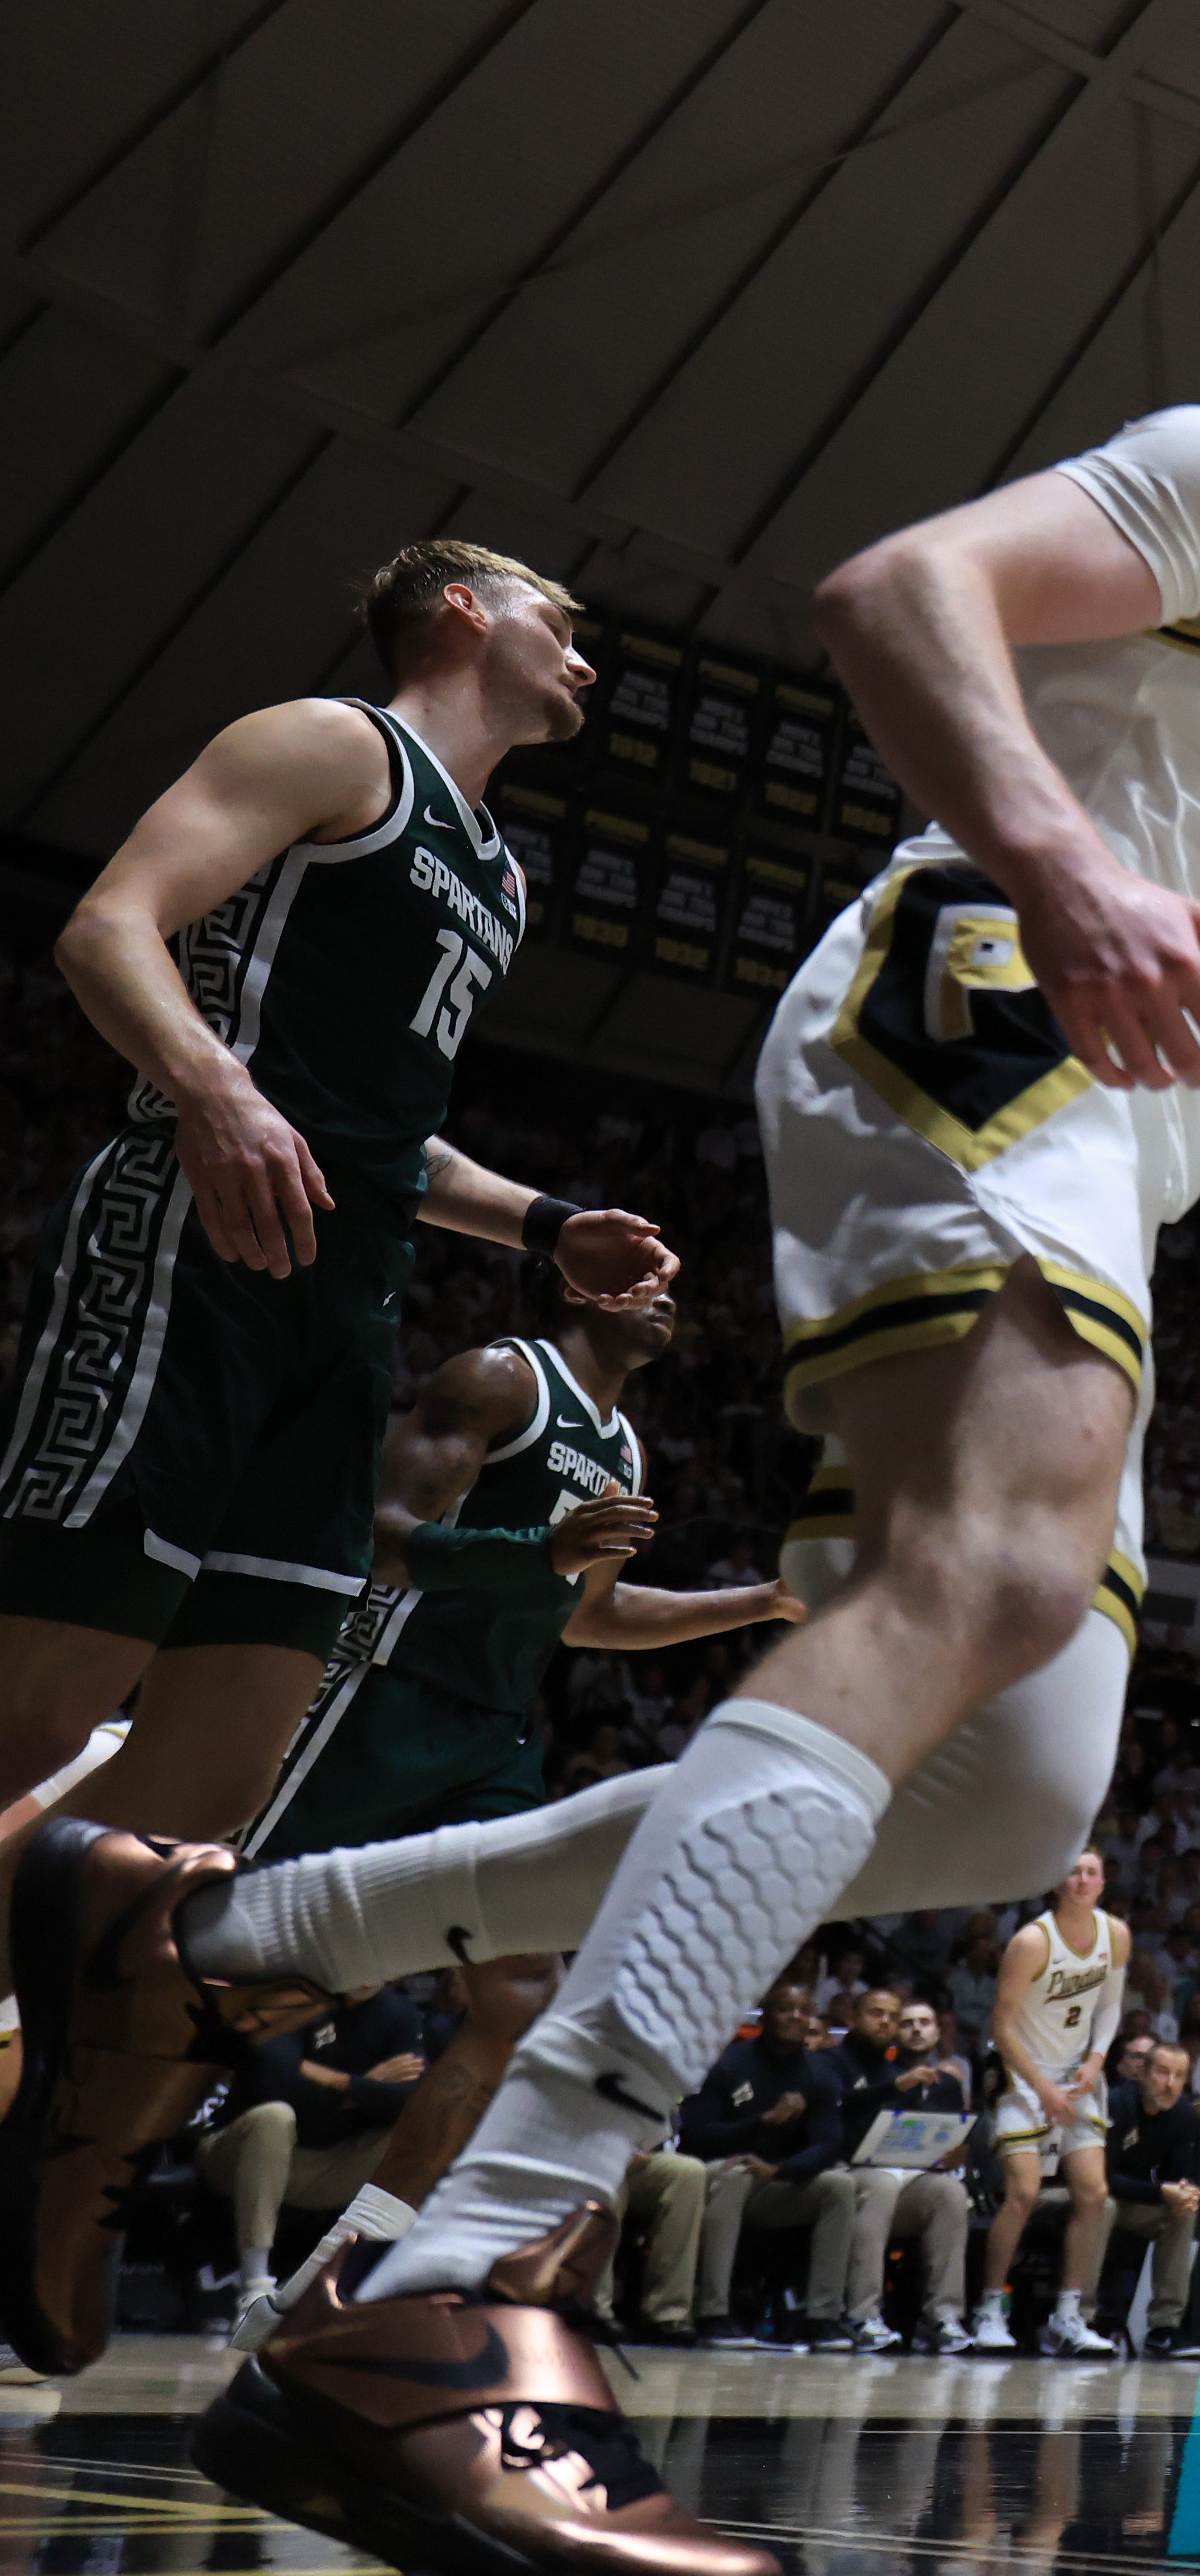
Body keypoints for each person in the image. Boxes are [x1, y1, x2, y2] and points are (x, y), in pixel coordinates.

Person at [151, 248, 1200, 2562]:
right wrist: (1050, 859)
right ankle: (440, 2279)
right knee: (993, 1568)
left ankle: (229, 1925)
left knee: (1002, 1793)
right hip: (972, 1004)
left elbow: (1173, 940)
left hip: (1104, 1127)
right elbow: (902, 592)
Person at [0, 539, 682, 2378]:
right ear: (459, 610)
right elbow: (109, 927)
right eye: (561, 615)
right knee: (42, 1698)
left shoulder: (501, 873)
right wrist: (214, 1091)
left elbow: (391, 1137)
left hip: (347, 1304)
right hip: (198, 1246)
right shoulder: (330, 745)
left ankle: (52, 2138)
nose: (585, 651)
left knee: (191, 1815)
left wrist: (542, 1222)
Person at [228, 1269, 799, 2349]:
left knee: (519, 1995)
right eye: (643, 1273)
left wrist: (763, 1602)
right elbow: (385, 1536)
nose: (669, 1290)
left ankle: (322, 2284)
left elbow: (592, 1618)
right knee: (222, 1970)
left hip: (493, 1733)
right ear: (575, 1287)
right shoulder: (498, 1377)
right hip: (380, 1699)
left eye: (681, 1279)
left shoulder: (624, 1447)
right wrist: (536, 1551)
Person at [202, 1983, 432, 2331]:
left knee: (415, 2132)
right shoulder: (294, 1996)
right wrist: (368, 2086)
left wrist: (328, 2079)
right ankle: (254, 2290)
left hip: (327, 2161)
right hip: (239, 2154)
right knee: (276, 2118)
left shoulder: (398, 2011)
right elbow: (275, 2082)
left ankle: (382, 2281)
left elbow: (408, 2099)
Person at [970, 1852, 1126, 2357]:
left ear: (1103, 1883)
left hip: (1075, 2077)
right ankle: (990, 2309)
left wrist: (1097, 2057)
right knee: (1023, 2193)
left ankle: (1069, 2315)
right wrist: (1042, 2089)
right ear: (1058, 1882)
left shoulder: (1116, 1935)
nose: (1081, 1880)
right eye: (1073, 1871)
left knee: (1094, 2193)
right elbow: (1001, 2026)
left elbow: (1110, 2004)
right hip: (1021, 2074)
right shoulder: (1032, 1941)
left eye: (1091, 1873)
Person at [687, 1982, 852, 2345]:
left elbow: (829, 2143)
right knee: (735, 2176)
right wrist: (762, 2122)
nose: (796, 2017)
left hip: (779, 2180)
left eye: (804, 2011)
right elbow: (695, 2135)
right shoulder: (729, 2063)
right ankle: (715, 2312)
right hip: (724, 2174)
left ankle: (822, 2317)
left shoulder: (821, 2073)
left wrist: (781, 2171)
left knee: (840, 2186)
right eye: (785, 2009)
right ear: (763, 2015)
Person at [822, 1994, 973, 2353]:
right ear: (855, 2017)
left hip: (899, 2175)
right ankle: (862, 2314)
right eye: (879, 2015)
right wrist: (895, 2088)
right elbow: (838, 2112)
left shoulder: (896, 2072)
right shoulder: (836, 2063)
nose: (887, 2023)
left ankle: (942, 2317)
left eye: (893, 2017)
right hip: (846, 2171)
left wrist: (949, 2154)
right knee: (881, 2183)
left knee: (949, 2192)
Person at [1101, 2042, 1200, 2355]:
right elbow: (1103, 2179)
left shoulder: (1183, 2115)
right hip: (1091, 2196)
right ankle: (1085, 2315)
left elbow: (1180, 2176)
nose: (1171, 2083)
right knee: (1102, 2205)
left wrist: (1185, 2194)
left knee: (1182, 2213)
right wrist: (1162, 2191)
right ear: (1143, 2074)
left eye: (1179, 2076)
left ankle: (1164, 2327)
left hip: (1134, 2201)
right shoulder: (1117, 2104)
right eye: (1163, 2073)